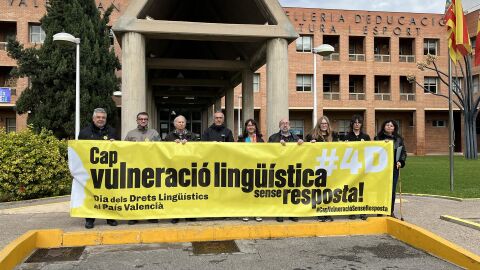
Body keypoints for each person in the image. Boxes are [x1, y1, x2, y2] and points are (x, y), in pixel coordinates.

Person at [78, 108, 119, 229]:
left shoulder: (112, 131)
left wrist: (115, 143)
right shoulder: (84, 132)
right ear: (93, 118)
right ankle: (90, 219)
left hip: (108, 170)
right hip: (90, 171)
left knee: (109, 194)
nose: (101, 119)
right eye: (98, 117)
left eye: (103, 117)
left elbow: (119, 150)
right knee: (91, 195)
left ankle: (110, 218)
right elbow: (80, 151)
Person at [124, 112, 160, 225]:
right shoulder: (130, 134)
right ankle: (134, 216)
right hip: (135, 168)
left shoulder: (154, 133)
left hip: (150, 168)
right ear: (137, 120)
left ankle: (151, 215)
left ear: (148, 121)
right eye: (141, 119)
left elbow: (161, 148)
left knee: (150, 192)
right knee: (134, 193)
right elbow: (123, 150)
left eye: (145, 119)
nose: (143, 121)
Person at [164, 115, 199, 224]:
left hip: (189, 169)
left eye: (183, 122)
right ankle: (176, 215)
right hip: (174, 169)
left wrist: (189, 145)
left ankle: (190, 214)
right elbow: (163, 150)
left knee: (190, 192)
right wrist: (172, 145)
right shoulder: (169, 136)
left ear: (185, 123)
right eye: (178, 122)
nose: (181, 124)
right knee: (176, 192)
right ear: (174, 124)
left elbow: (199, 149)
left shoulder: (192, 136)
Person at [268, 118, 303, 222]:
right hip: (279, 170)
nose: (285, 125)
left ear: (290, 126)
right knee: (280, 192)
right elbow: (268, 151)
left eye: (287, 123)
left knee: (292, 192)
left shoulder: (297, 138)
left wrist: (303, 144)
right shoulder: (273, 138)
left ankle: (292, 213)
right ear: (279, 126)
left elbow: (303, 153)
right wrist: (277, 145)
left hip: (292, 169)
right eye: (282, 123)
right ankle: (280, 213)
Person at [305, 116, 337, 222]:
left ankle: (328, 211)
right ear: (319, 124)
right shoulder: (311, 135)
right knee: (318, 190)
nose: (324, 125)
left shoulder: (334, 135)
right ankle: (319, 212)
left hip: (330, 166)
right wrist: (310, 144)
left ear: (328, 125)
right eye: (322, 123)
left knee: (329, 190)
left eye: (326, 123)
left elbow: (340, 147)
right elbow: (304, 148)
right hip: (317, 167)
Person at [374, 120, 407, 218]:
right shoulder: (378, 138)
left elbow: (403, 152)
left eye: (391, 126)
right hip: (381, 168)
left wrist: (400, 161)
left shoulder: (399, 139)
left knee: (392, 190)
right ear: (384, 126)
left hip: (394, 167)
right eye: (387, 125)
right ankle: (379, 210)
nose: (389, 127)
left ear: (394, 128)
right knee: (380, 189)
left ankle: (390, 211)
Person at [344, 114, 370, 220]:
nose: (357, 124)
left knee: (363, 189)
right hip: (352, 167)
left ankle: (363, 210)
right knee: (352, 188)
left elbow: (371, 150)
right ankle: (352, 210)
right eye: (355, 122)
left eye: (359, 122)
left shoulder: (366, 137)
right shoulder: (347, 137)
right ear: (352, 124)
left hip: (363, 166)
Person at [238, 119, 264, 222]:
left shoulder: (260, 140)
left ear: (255, 127)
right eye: (248, 125)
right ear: (246, 127)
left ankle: (257, 212)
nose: (250, 127)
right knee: (246, 190)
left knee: (257, 190)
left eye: (252, 125)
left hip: (257, 168)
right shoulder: (241, 139)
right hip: (245, 168)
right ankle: (246, 212)